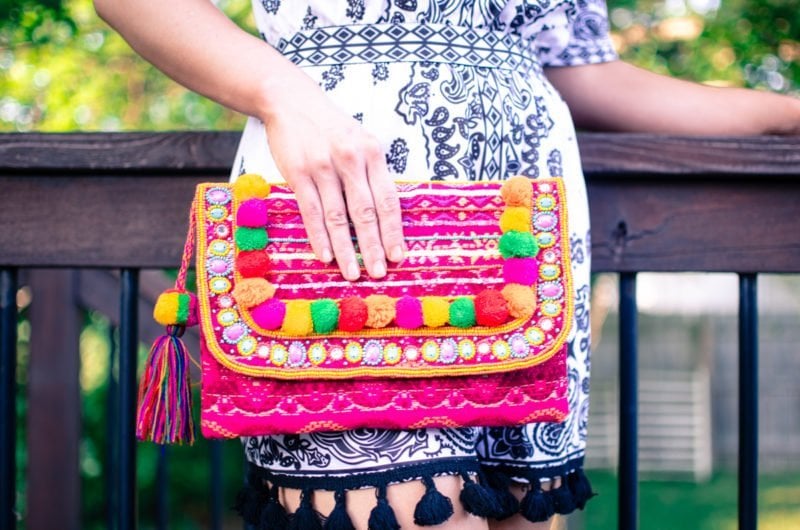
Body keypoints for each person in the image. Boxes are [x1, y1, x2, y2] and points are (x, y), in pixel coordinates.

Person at [95, 1, 800, 529]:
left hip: (525, 232)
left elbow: (580, 73)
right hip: (346, 195)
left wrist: (781, 114)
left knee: (518, 515)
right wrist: (284, 96)